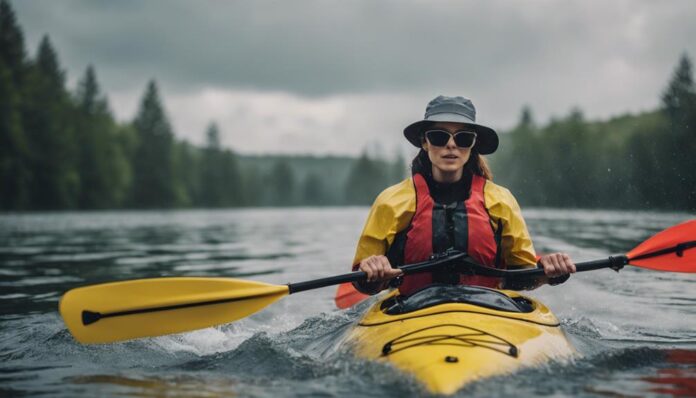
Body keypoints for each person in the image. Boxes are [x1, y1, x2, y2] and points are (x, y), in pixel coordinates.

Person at [352, 96, 575, 295]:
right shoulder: (391, 202)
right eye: (439, 137)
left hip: (487, 308)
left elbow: (521, 277)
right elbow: (363, 282)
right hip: (411, 308)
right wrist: (372, 268)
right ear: (424, 142)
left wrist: (549, 272)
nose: (451, 145)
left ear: (473, 144)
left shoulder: (501, 201)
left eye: (463, 138)